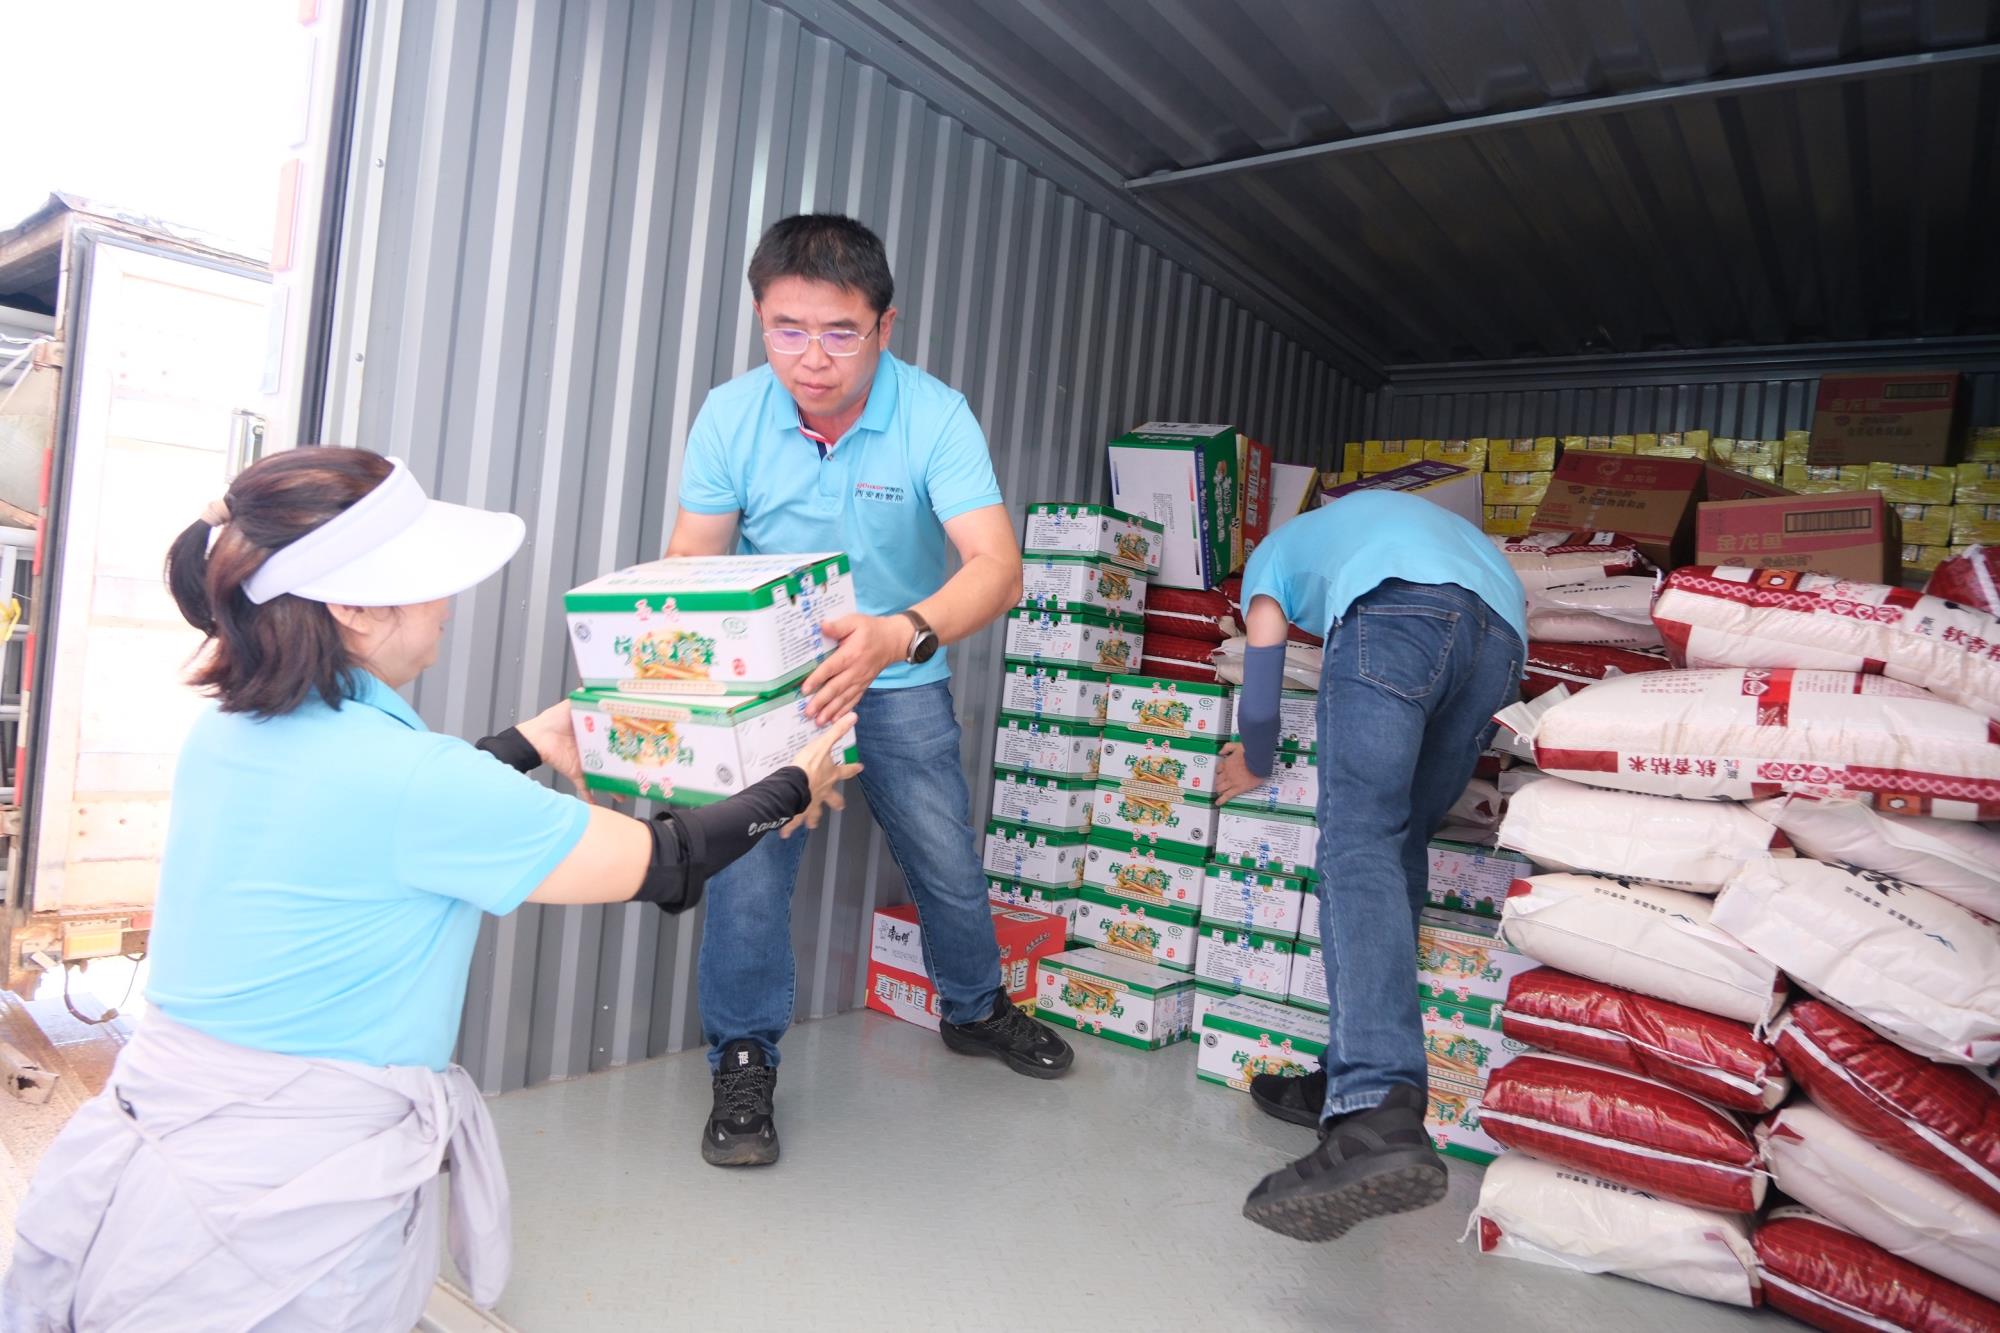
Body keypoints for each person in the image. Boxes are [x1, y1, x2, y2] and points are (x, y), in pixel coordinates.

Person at [1, 447, 858, 1330]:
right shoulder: (417, 782)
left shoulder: (230, 731)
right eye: (427, 578)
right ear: (352, 607)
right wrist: (795, 778)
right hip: (281, 1215)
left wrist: (523, 744)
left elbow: (379, 824)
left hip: (162, 1173)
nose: (448, 604)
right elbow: (663, 859)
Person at [667, 213, 1073, 1168]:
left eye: (841, 333)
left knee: (944, 855)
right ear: (760, 320)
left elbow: (998, 568)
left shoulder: (935, 416)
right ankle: (742, 1059)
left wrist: (898, 633)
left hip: (902, 666)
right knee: (745, 870)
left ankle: (974, 1007)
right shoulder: (730, 414)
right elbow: (693, 558)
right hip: (774, 690)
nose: (812, 359)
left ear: (885, 326)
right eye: (787, 330)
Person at [1213, 490, 1526, 1242]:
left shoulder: (1274, 555)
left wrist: (1256, 757)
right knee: (1399, 842)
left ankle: (1373, 1109)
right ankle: (1347, 1070)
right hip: (1503, 639)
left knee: (1356, 839)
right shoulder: (1388, 524)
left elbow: (1263, 663)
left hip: (1398, 612)